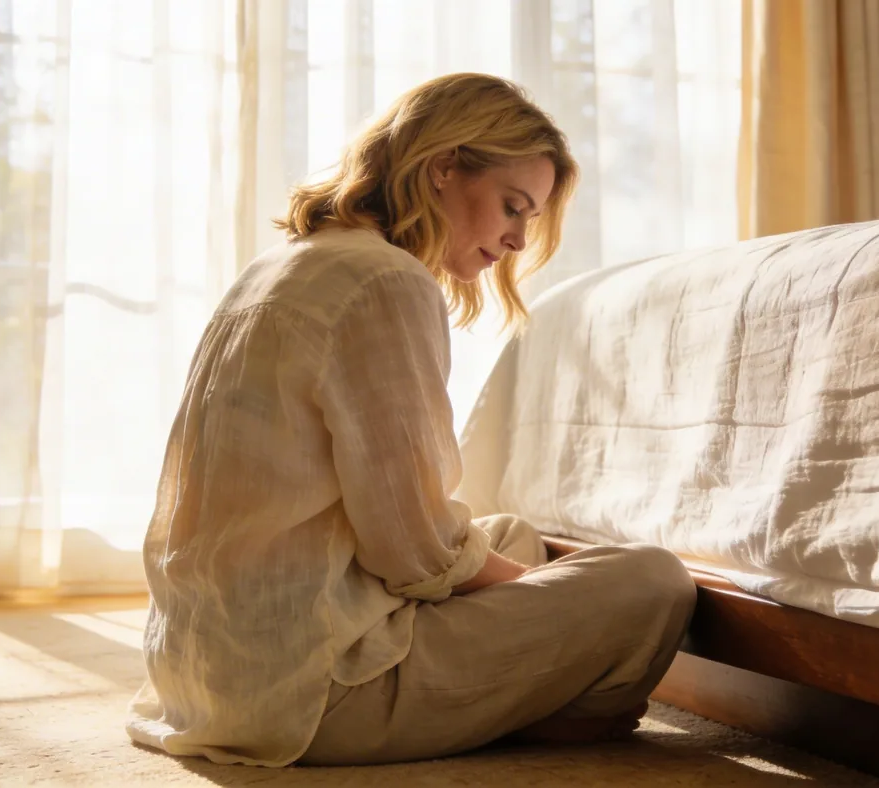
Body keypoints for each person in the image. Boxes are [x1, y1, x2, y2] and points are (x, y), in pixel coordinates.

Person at [125, 73, 697, 768]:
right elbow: (413, 548)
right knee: (652, 581)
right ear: (442, 170)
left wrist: (521, 580)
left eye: (531, 220)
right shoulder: (387, 282)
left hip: (206, 675)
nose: (518, 240)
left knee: (512, 533)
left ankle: (527, 695)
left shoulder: (281, 266)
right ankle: (557, 717)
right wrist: (544, 594)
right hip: (314, 694)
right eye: (512, 207)